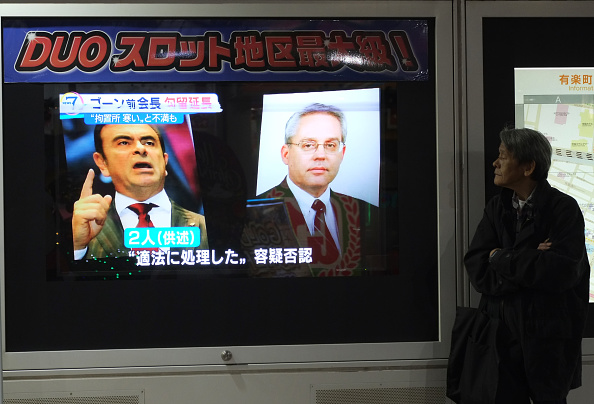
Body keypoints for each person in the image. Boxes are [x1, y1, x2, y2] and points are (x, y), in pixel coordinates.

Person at [463, 127, 589, 403]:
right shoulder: (497, 208)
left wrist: (501, 257)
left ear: (528, 167)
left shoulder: (563, 209)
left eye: (503, 156)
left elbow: (562, 272)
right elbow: (477, 269)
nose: (495, 163)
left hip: (549, 341)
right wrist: (531, 255)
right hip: (501, 340)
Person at [258, 103, 377, 276]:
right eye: (308, 145)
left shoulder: (365, 212)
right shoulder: (254, 211)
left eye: (330, 145)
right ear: (286, 154)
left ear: (342, 153)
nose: (320, 155)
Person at [72, 123, 208, 260]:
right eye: (124, 143)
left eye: (149, 142)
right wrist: (78, 248)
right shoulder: (85, 232)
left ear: (165, 161)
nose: (140, 148)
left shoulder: (203, 226)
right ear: (102, 163)